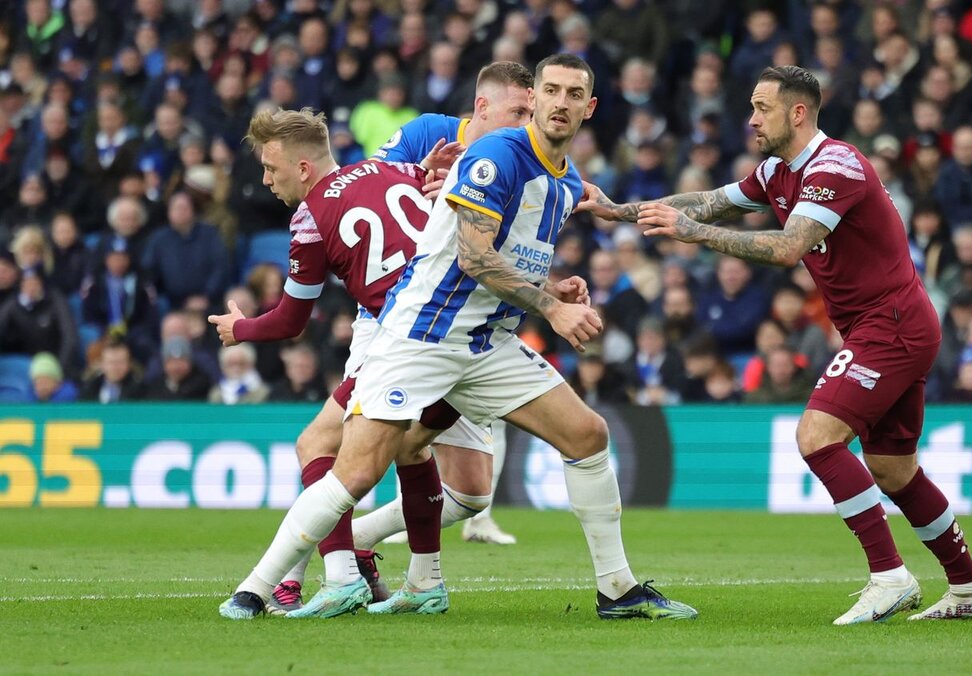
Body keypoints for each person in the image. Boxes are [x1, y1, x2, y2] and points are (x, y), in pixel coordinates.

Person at [218, 54, 696, 623]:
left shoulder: (563, 179)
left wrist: (559, 280)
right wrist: (550, 309)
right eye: (550, 92)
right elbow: (471, 256)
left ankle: (617, 591)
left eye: (574, 94)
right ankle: (253, 590)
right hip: (422, 334)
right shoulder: (496, 155)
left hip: (485, 343)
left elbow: (526, 239)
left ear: (589, 108)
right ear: (534, 100)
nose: (560, 103)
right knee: (357, 470)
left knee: (587, 436)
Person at [579, 65, 972, 624]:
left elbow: (786, 248)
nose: (750, 119)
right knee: (894, 470)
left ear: (797, 113)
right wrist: (621, 210)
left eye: (761, 108)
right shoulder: (777, 169)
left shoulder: (836, 167)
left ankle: (889, 575)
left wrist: (692, 233)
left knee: (816, 436)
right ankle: (970, 590)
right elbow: (709, 200)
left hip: (890, 322)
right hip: (883, 325)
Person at [370, 61, 538, 548]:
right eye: (518, 112)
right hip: (401, 304)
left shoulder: (521, 158)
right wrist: (419, 178)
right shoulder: (428, 132)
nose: (527, 124)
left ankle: (462, 525)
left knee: (485, 429)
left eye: (531, 113)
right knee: (381, 424)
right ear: (482, 106)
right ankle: (348, 522)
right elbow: (369, 189)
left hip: (474, 316)